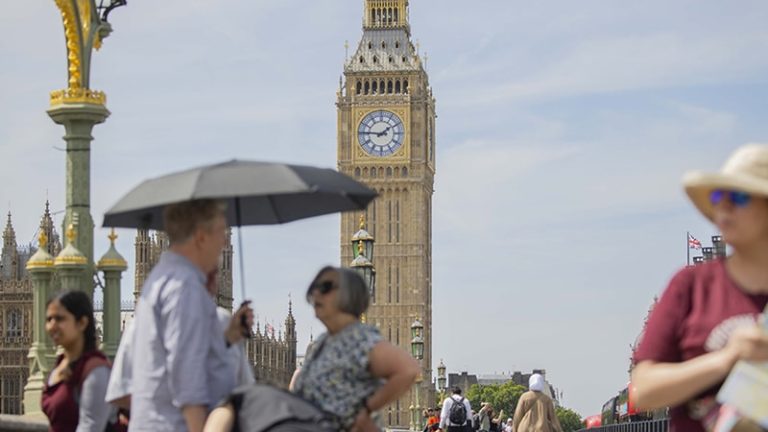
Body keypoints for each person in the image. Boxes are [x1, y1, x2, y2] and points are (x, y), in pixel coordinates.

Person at [632, 144, 768, 431]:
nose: (724, 206)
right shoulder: (690, 286)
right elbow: (644, 389)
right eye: (719, 196)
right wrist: (728, 358)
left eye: (740, 196)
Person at [204, 266, 419, 432]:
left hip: (323, 425)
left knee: (241, 398)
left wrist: (366, 410)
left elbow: (407, 370)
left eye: (325, 288)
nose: (316, 294)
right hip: (307, 422)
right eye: (314, 288)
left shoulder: (358, 337)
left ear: (349, 296)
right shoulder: (326, 341)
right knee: (238, 400)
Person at [129, 199, 251, 432]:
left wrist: (225, 339)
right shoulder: (184, 287)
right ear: (200, 236)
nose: (225, 242)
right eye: (220, 232)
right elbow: (188, 384)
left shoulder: (161, 279)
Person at [42, 290, 113, 431]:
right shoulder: (60, 364)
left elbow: (91, 427)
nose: (52, 326)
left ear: (82, 323)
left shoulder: (96, 371)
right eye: (49, 319)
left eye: (59, 319)